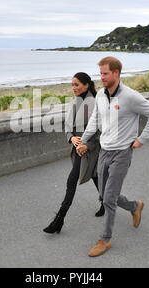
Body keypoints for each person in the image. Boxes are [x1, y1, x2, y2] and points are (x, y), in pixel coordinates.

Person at [77, 57, 149, 257]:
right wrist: (83, 140)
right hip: (104, 151)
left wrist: (141, 139)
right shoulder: (100, 95)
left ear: (116, 73)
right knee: (104, 195)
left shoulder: (131, 97)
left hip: (122, 153)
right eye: (100, 74)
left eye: (105, 73)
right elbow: (95, 120)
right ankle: (134, 206)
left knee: (108, 198)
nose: (102, 77)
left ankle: (105, 240)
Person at [43, 72, 103, 234]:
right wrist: (71, 138)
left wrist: (87, 145)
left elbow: (100, 131)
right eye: (72, 85)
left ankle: (59, 219)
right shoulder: (74, 102)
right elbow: (68, 127)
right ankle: (105, 201)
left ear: (86, 85)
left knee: (72, 180)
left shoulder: (96, 103)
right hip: (77, 147)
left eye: (76, 84)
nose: (73, 88)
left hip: (90, 149)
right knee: (95, 176)